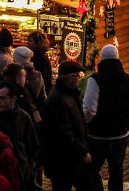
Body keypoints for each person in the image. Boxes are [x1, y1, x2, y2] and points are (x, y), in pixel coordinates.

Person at [83, 43, 129, 191]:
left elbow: (89, 109)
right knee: (116, 173)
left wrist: (85, 123)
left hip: (98, 135)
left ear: (101, 59)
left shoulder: (95, 79)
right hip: (121, 134)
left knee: (92, 170)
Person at [42, 59, 90, 191]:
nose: (79, 79)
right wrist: (82, 151)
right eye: (77, 76)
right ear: (69, 79)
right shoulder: (59, 100)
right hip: (63, 160)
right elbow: (63, 133)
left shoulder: (69, 95)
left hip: (69, 159)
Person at [0, 80, 41, 191]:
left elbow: (33, 145)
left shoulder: (23, 117)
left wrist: (28, 166)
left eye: (2, 98)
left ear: (13, 99)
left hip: (20, 172)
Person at [12, 45, 47, 112]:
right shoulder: (38, 75)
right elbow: (43, 97)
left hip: (20, 111)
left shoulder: (16, 75)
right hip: (34, 110)